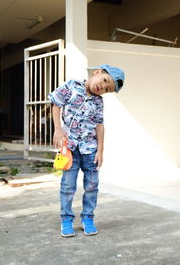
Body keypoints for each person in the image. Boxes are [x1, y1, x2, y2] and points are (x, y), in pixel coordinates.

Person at [48, 64, 125, 237]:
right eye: (104, 81)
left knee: (92, 186)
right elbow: (56, 103)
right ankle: (66, 219)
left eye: (107, 89)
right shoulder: (71, 86)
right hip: (70, 148)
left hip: (90, 149)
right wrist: (58, 129)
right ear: (97, 72)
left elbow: (99, 124)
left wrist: (101, 151)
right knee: (68, 186)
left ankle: (87, 218)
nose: (102, 88)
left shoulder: (98, 101)